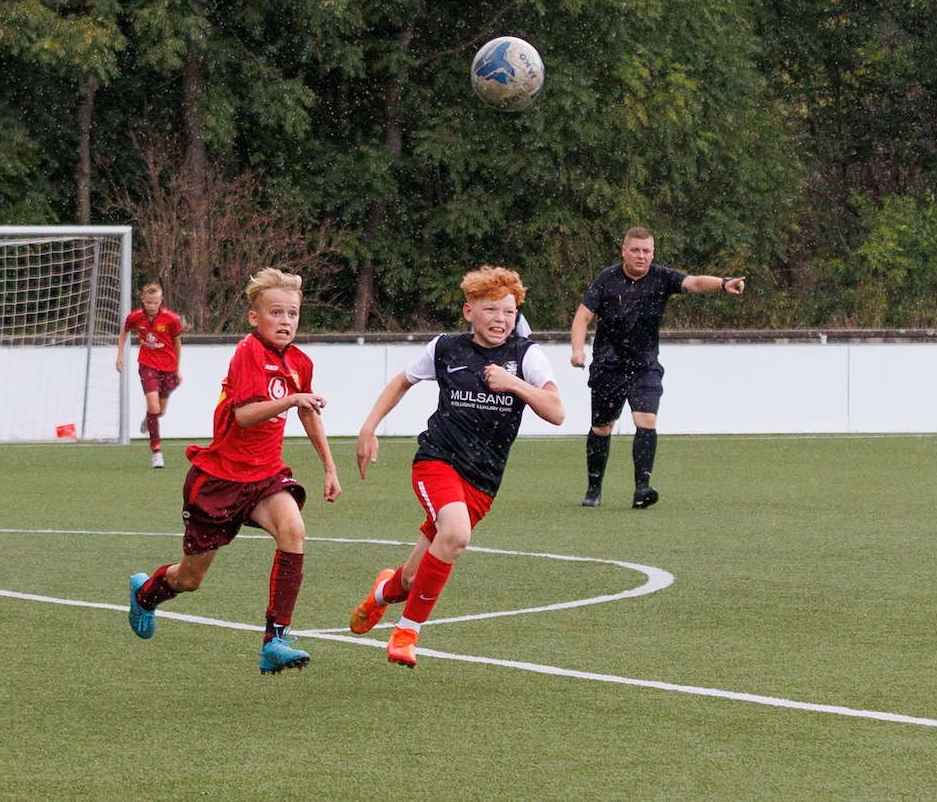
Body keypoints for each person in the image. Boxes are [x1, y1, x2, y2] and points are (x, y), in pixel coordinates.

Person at [127, 268, 342, 674]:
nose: (286, 321)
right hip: (220, 480)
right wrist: (291, 399)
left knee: (293, 530)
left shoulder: (300, 362)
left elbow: (308, 413)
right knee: (189, 579)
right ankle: (145, 595)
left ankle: (274, 640)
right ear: (254, 317)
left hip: (265, 477)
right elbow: (244, 415)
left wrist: (329, 468)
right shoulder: (248, 351)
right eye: (275, 313)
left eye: (293, 313)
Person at [349, 266, 565, 668]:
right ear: (469, 312)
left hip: (483, 480)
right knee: (456, 534)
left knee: (412, 578)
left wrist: (515, 384)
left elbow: (556, 412)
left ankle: (381, 593)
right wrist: (368, 427)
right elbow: (402, 381)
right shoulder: (446, 348)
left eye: (508, 311)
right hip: (438, 460)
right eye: (490, 310)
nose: (500, 319)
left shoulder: (526, 355)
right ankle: (406, 632)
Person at [569, 226, 745, 509]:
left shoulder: (662, 277)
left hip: (645, 367)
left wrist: (723, 284)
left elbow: (694, 283)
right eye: (635, 250)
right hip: (608, 366)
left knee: (646, 420)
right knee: (602, 428)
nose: (641, 256)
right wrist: (577, 350)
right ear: (624, 251)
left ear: (653, 254)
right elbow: (582, 317)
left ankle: (642, 489)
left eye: (646, 251)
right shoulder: (606, 279)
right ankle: (594, 488)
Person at [116, 282, 183, 468]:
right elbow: (125, 330)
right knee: (153, 406)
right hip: (147, 365)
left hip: (168, 367)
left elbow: (177, 343)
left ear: (161, 300)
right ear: (142, 301)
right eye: (148, 302)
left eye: (155, 302)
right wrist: (120, 354)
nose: (152, 306)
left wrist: (177, 369)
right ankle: (156, 451)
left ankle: (148, 420)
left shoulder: (171, 319)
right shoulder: (136, 317)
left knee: (159, 411)